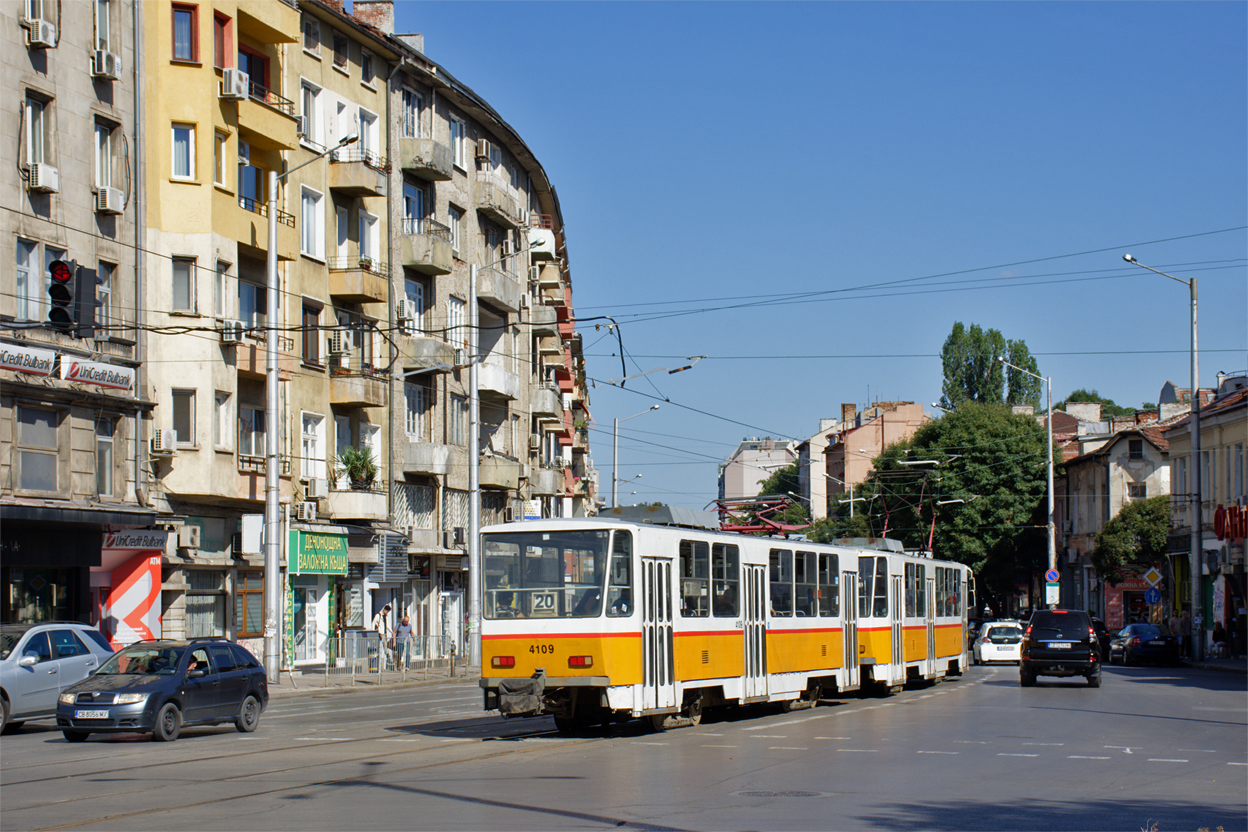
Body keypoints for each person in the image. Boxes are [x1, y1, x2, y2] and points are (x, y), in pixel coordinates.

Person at [372, 603, 393, 669]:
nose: (387, 613)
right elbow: (373, 623)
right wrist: (373, 631)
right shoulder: (378, 616)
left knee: (385, 644)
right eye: (387, 611)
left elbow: (387, 625)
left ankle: (387, 656)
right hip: (380, 633)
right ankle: (388, 656)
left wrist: (391, 631)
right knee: (385, 644)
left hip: (384, 633)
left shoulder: (385, 617)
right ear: (384, 610)